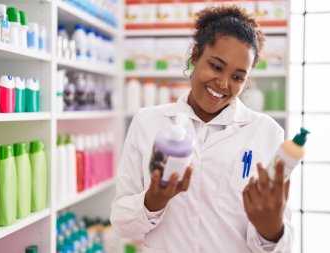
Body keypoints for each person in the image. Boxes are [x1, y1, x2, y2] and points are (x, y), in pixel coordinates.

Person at [111, 5, 293, 253]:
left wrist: (271, 230)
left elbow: (282, 246)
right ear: (195, 55)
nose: (223, 83)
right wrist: (153, 200)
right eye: (216, 66)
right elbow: (121, 223)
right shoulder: (147, 122)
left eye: (238, 77)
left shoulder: (266, 133)